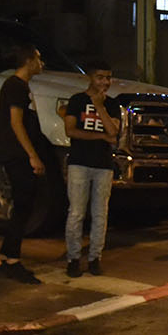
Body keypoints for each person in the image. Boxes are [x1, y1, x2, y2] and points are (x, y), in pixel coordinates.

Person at [0, 45, 50, 280]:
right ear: (27, 61)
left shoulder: (20, 86)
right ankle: (13, 259)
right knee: (23, 204)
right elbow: (16, 123)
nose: (42, 63)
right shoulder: (16, 86)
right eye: (38, 59)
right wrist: (32, 155)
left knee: (25, 203)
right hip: (17, 154)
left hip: (18, 153)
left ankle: (9, 252)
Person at [61, 61, 122, 277]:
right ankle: (73, 258)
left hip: (104, 164)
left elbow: (113, 132)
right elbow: (70, 130)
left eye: (108, 77)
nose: (105, 82)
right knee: (76, 212)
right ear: (90, 77)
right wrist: (101, 136)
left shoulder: (112, 104)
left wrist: (99, 107)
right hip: (79, 161)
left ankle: (95, 257)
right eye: (100, 77)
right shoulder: (77, 100)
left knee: (100, 214)